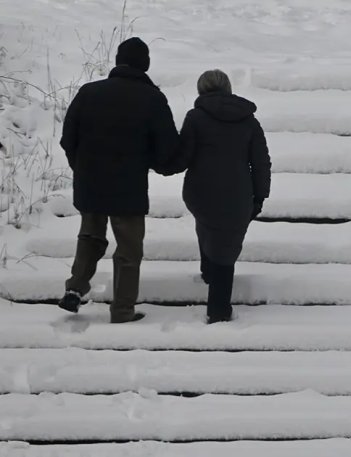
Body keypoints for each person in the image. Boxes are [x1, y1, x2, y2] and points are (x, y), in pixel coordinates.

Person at [58, 37, 179, 323]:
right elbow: (167, 148)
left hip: (91, 182)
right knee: (128, 249)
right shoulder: (152, 98)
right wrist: (164, 165)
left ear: (117, 61)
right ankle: (122, 310)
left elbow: (67, 139)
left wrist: (82, 167)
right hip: (129, 187)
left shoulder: (89, 92)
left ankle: (75, 289)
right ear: (145, 64)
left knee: (90, 237)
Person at [160, 69, 271, 324]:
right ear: (229, 88)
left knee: (209, 227)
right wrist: (260, 196)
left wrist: (160, 162)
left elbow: (183, 157)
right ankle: (219, 309)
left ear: (201, 91)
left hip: (200, 193)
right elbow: (261, 163)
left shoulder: (196, 118)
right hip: (238, 194)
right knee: (226, 247)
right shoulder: (249, 121)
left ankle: (208, 272)